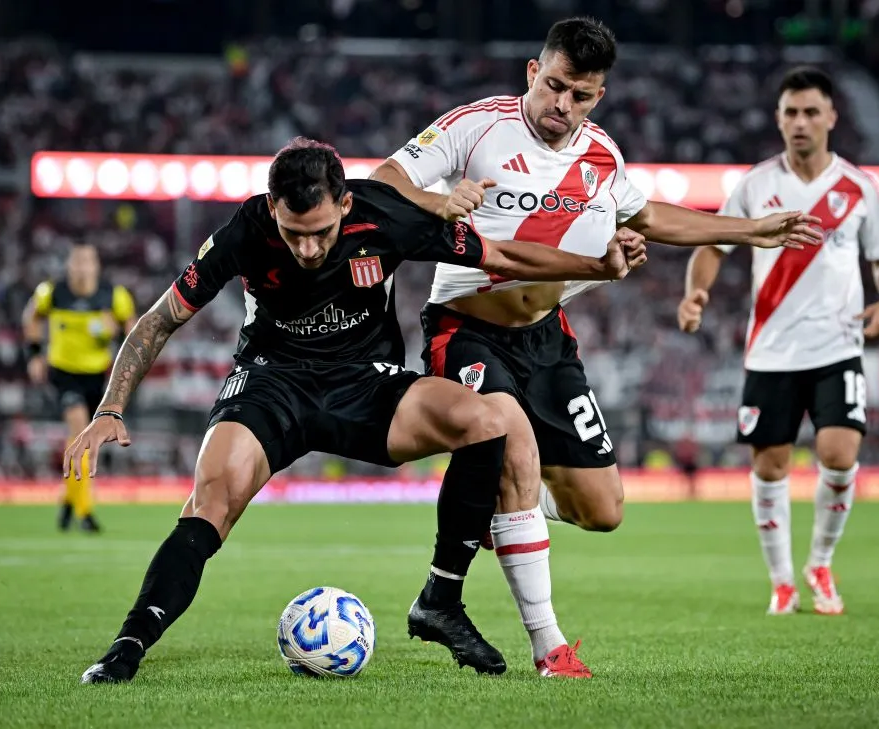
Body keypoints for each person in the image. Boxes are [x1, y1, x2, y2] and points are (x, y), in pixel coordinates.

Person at [71, 138, 645, 684]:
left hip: (366, 383)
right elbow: (160, 319)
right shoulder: (246, 229)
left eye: (320, 233)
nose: (308, 250)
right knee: (210, 501)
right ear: (272, 208)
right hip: (273, 383)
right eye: (293, 234)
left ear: (345, 204)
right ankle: (127, 646)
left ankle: (440, 600)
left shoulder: (384, 215)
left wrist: (598, 266)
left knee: (487, 423)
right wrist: (110, 408)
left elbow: (499, 255)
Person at [370, 15, 820, 659]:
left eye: (580, 95)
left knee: (602, 510)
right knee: (511, 442)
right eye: (554, 86)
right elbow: (385, 179)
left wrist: (749, 230)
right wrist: (435, 202)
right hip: (466, 328)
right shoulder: (476, 126)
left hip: (547, 338)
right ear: (534, 71)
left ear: (599, 95)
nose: (563, 104)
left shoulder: (602, 155)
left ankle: (504, 505)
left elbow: (650, 215)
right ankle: (550, 647)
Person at [677, 67, 879, 615]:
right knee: (770, 466)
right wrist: (695, 294)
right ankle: (782, 580)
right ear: (778, 120)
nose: (800, 122)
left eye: (810, 112)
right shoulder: (755, 185)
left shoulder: (858, 187)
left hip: (838, 346)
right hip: (772, 350)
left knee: (839, 453)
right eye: (791, 113)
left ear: (831, 117)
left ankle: (820, 563)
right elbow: (711, 246)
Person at [22, 242, 136, 532]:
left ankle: (68, 500)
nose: (82, 267)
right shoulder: (52, 292)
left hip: (98, 376)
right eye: (77, 261)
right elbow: (31, 316)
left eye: (88, 261)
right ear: (69, 265)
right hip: (64, 373)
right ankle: (85, 513)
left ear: (97, 266)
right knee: (80, 430)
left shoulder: (115, 296)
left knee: (82, 437)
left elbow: (133, 331)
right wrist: (34, 354)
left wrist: (114, 333)